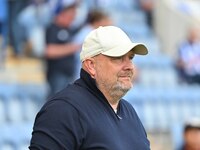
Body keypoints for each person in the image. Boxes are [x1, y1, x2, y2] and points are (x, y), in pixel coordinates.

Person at [29, 26, 150, 149]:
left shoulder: (129, 111)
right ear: (91, 65)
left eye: (131, 58)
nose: (129, 66)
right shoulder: (63, 110)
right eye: (118, 58)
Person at [45, 0, 81, 96]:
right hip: (57, 74)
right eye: (71, 16)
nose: (73, 19)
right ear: (62, 14)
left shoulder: (70, 30)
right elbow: (49, 51)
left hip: (69, 74)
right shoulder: (53, 28)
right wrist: (72, 48)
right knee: (56, 102)